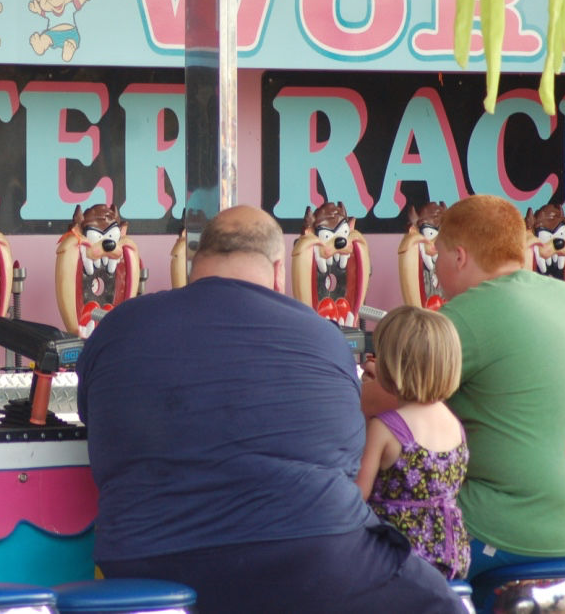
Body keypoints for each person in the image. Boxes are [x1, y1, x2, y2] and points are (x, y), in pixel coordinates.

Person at [76, 205, 463, 613]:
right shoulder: (322, 335)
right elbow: (346, 458)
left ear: (195, 262)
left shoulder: (118, 327)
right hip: (310, 557)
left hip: (145, 561)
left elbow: (95, 417)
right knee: (441, 601)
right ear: (279, 269)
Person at [430, 194, 565, 577]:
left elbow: (385, 403)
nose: (436, 268)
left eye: (437, 255)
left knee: (381, 537)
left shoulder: (464, 315)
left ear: (459, 257)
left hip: (511, 535)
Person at [356, 305, 470, 580]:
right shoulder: (454, 423)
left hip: (397, 555)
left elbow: (357, 494)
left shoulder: (386, 427)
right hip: (449, 555)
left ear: (393, 366)